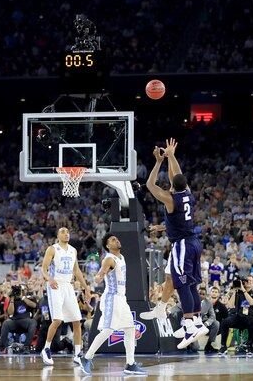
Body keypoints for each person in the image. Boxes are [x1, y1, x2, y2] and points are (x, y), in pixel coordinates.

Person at [145, 138, 207, 349]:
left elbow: (150, 185)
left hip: (182, 245)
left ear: (171, 187)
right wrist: (171, 155)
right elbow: (177, 176)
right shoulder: (187, 193)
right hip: (193, 241)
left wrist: (158, 161)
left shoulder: (171, 199)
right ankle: (196, 320)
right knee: (190, 283)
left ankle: (190, 325)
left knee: (181, 285)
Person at [80, 233, 146, 376]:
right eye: (113, 240)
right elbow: (99, 276)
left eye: (116, 238)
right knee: (108, 330)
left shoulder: (122, 258)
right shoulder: (109, 259)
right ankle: (86, 358)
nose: (117, 240)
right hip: (112, 298)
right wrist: (98, 277)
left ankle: (130, 364)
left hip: (122, 299)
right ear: (108, 246)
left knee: (130, 329)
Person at [40, 227, 91, 366]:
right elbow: (44, 269)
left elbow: (77, 271)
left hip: (68, 285)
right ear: (58, 235)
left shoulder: (73, 250)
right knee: (57, 320)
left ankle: (78, 354)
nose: (66, 234)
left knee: (76, 320)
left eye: (68, 232)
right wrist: (49, 279)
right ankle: (46, 349)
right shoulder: (52, 249)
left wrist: (86, 288)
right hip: (55, 286)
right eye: (63, 232)